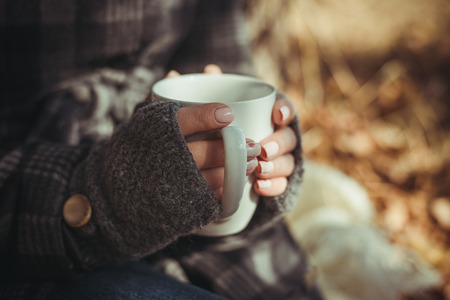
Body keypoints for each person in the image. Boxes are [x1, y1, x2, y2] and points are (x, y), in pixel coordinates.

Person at [0, 0, 322, 299]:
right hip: (35, 228)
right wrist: (102, 194)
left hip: (200, 225)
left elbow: (214, 61)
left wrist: (265, 147)